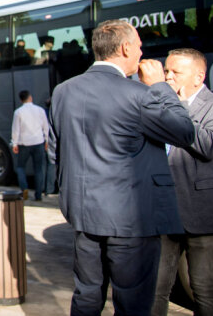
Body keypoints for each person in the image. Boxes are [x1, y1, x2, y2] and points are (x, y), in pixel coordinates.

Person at [52, 19, 195, 315]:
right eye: (140, 47)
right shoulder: (139, 94)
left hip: (83, 213)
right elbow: (184, 132)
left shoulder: (63, 91)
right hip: (130, 221)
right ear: (126, 48)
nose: (142, 53)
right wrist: (161, 87)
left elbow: (59, 150)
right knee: (133, 304)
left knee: (87, 297)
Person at [152, 48, 213, 316]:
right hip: (163, 212)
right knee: (155, 289)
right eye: (166, 71)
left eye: (175, 72)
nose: (168, 77)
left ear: (198, 77)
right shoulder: (158, 108)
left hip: (205, 212)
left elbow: (209, 146)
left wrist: (173, 107)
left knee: (203, 288)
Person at [11, 90, 50, 201]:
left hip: (24, 143)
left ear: (21, 100)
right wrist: (47, 141)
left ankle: (25, 193)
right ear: (30, 98)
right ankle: (38, 195)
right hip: (38, 142)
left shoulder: (18, 112)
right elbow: (46, 127)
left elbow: (15, 129)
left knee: (20, 167)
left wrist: (14, 143)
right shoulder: (40, 110)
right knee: (38, 169)